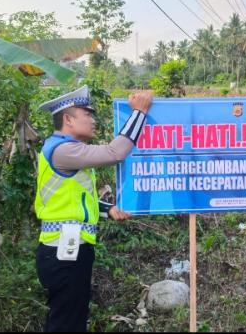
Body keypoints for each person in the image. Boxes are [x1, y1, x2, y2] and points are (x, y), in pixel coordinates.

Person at [34, 85, 153, 332]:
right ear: (68, 119)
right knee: (66, 324)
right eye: (87, 114)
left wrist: (108, 209)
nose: (93, 120)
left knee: (70, 319)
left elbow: (76, 200)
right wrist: (139, 113)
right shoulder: (63, 150)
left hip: (68, 248)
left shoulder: (65, 150)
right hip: (64, 250)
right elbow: (115, 152)